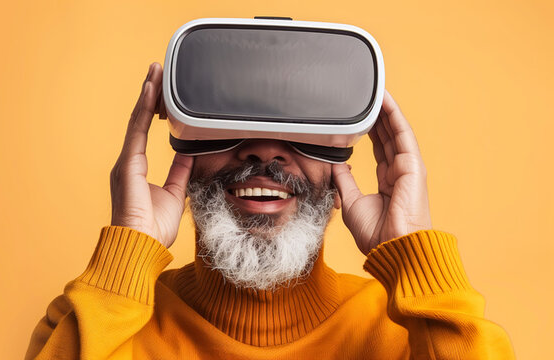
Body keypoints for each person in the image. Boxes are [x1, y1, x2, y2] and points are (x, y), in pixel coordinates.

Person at [25, 63, 515, 359]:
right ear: (183, 145)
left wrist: (413, 252)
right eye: (225, 123)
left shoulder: (404, 331)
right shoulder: (102, 321)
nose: (263, 152)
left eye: (301, 131)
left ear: (340, 161)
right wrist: (128, 248)